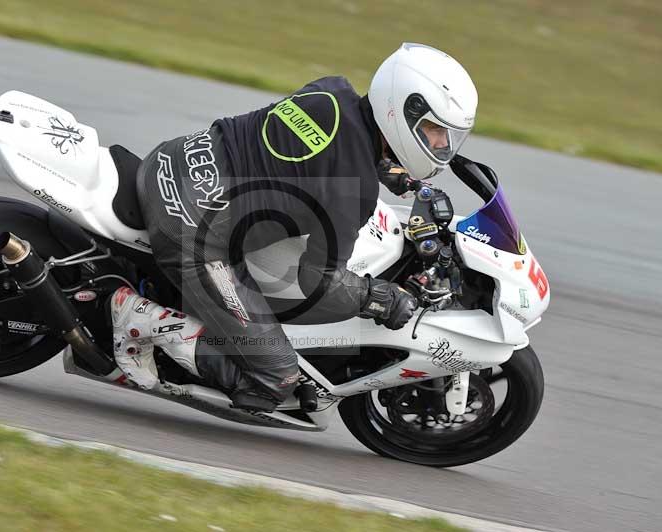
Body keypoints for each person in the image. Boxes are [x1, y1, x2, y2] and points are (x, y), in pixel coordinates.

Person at [110, 43, 478, 412]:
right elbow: (316, 281)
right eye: (434, 130)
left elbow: (310, 154)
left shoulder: (331, 93)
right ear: (401, 112)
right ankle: (139, 318)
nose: (442, 144)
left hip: (173, 162)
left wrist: (384, 169)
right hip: (191, 231)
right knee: (277, 379)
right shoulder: (353, 190)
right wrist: (378, 297)